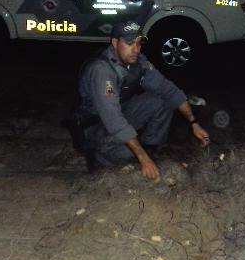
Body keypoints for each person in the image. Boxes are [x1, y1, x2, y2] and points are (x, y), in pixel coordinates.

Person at [70, 21, 210, 180]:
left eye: (138, 43)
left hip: (119, 112)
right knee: (126, 153)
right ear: (115, 43)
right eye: (129, 43)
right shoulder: (101, 70)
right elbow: (114, 120)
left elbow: (169, 90)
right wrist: (141, 157)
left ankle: (149, 151)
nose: (135, 49)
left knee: (162, 101)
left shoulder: (139, 62)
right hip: (93, 125)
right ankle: (99, 159)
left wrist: (194, 123)